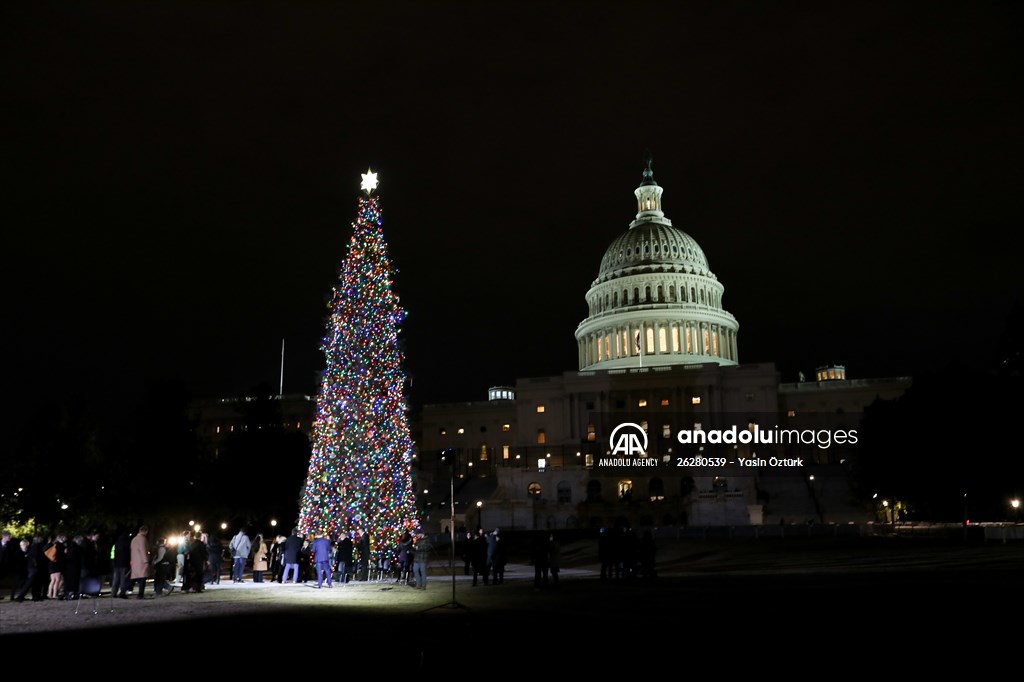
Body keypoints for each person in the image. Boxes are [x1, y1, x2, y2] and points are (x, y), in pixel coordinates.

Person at [13, 536, 46, 602]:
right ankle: (32, 596)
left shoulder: (33, 547)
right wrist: (37, 564)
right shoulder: (36, 547)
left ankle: (33, 596)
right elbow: (36, 558)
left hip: (32, 567)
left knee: (33, 582)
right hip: (34, 568)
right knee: (31, 583)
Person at [129, 525, 151, 599]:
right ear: (145, 531)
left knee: (135, 578)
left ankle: (124, 591)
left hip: (135, 561)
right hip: (141, 561)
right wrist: (146, 561)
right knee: (142, 579)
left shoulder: (134, 539)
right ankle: (140, 594)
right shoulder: (142, 539)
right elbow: (143, 550)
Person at [63, 535, 84, 600]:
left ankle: (71, 593)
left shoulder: (72, 547)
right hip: (73, 566)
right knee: (73, 581)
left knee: (72, 580)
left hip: (71, 566)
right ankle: (72, 593)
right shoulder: (75, 548)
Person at [111, 530, 131, 598]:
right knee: (123, 579)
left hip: (116, 563)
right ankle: (122, 593)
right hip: (124, 563)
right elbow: (128, 554)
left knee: (116, 579)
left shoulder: (116, 543)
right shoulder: (127, 543)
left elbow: (113, 554)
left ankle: (114, 592)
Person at [46, 534, 67, 600]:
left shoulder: (53, 545)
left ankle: (50, 593)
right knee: (57, 580)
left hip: (51, 563)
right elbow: (61, 556)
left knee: (53, 580)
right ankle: (54, 594)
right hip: (57, 564)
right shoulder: (60, 546)